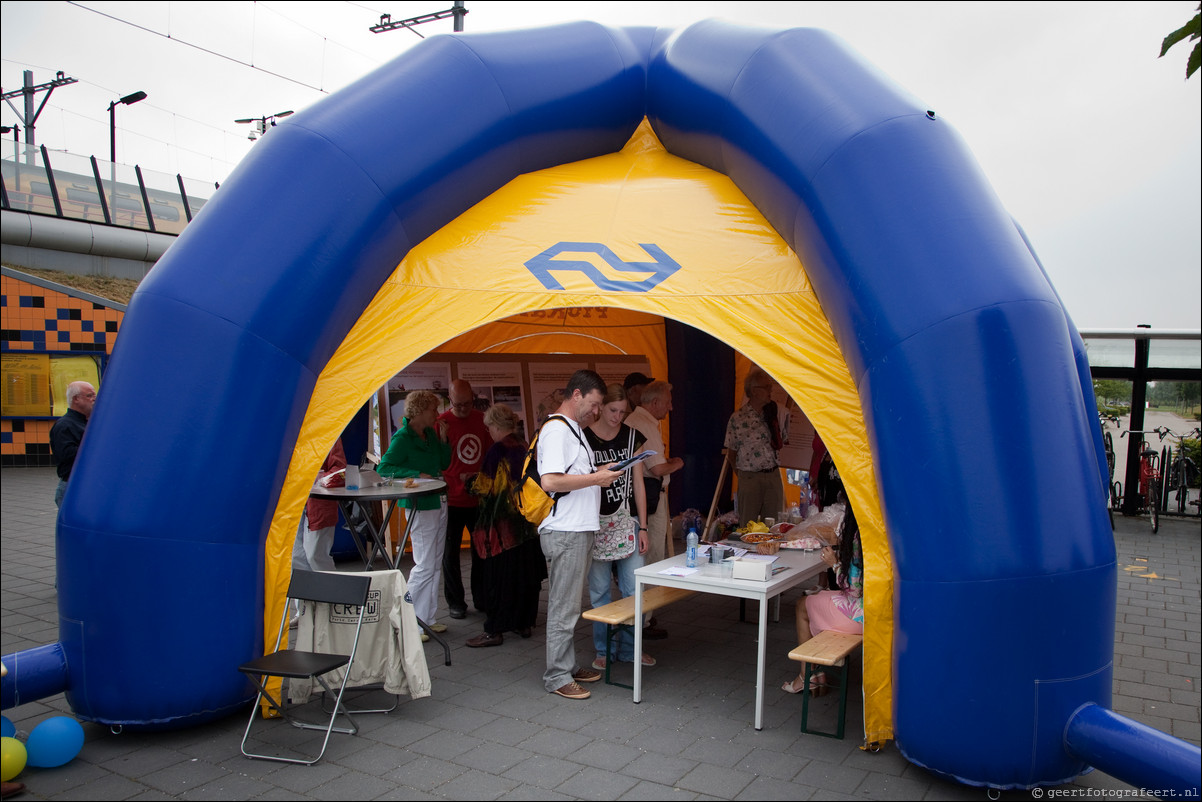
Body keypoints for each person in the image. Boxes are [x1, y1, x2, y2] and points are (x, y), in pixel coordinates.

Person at [537, 369, 622, 700]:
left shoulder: (571, 429)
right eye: (595, 403)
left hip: (576, 529)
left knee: (569, 604)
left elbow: (570, 476)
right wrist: (595, 480)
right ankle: (557, 675)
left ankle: (566, 666)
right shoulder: (558, 431)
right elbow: (552, 481)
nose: (597, 411)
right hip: (566, 531)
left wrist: (597, 473)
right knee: (564, 606)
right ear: (576, 395)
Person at [462, 404, 547, 647]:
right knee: (525, 576)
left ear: (497, 426)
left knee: (498, 579)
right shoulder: (522, 444)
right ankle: (524, 623)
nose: (488, 431)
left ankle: (495, 629)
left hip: (503, 526)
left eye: (489, 427)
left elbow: (485, 486)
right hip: (527, 522)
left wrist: (468, 481)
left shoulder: (498, 450)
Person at [585, 384, 654, 670]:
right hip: (594, 521)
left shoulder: (631, 437)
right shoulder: (584, 437)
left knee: (632, 589)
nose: (617, 417)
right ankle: (603, 649)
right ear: (600, 407)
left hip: (626, 519)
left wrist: (644, 526)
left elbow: (639, 484)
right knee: (599, 591)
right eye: (613, 410)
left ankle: (630, 649)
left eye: (622, 412)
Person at [378, 390, 451, 640]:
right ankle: (406, 620)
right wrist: (416, 474)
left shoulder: (430, 433)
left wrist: (443, 439)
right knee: (424, 563)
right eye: (433, 409)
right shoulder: (403, 437)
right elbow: (384, 468)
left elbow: (444, 463)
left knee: (434, 561)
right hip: (420, 504)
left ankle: (427, 619)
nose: (437, 414)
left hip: (439, 499)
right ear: (420, 411)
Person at [623, 380, 684, 640]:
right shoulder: (644, 424)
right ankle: (644, 621)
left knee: (644, 558)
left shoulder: (639, 421)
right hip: (650, 500)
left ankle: (642, 616)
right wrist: (677, 463)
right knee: (652, 558)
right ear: (655, 402)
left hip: (645, 499)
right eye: (668, 402)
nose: (671, 407)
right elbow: (658, 468)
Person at [781, 503, 862, 695]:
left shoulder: (860, 537)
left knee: (803, 605)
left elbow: (854, 589)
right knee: (817, 597)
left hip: (861, 614)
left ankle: (806, 677)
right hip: (880, 607)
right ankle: (813, 673)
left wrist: (835, 564)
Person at [438, 379, 492, 620]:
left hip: (477, 497)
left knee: (481, 551)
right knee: (449, 553)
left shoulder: (482, 420)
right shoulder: (442, 423)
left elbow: (490, 454)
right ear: (450, 400)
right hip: (451, 499)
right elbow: (437, 460)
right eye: (457, 404)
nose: (462, 408)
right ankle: (455, 602)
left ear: (473, 397)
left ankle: (481, 598)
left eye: (467, 403)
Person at [724, 368, 786, 527]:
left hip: (772, 475)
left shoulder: (773, 412)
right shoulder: (738, 418)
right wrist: (744, 476)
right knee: (748, 525)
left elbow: (782, 440)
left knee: (774, 525)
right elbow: (731, 453)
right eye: (766, 387)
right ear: (754, 391)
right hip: (750, 477)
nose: (770, 390)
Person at [291, 438, 347, 574]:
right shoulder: (288, 432)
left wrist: (317, 478)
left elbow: (340, 470)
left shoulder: (328, 431)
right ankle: (305, 594)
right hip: (293, 502)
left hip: (319, 503)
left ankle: (332, 593)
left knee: (315, 556)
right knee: (294, 557)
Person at [49, 380, 96, 507]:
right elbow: (67, 454)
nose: (94, 399)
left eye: (95, 396)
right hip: (73, 487)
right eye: (89, 395)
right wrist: (96, 449)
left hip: (86, 485)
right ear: (76, 399)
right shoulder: (65, 425)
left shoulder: (89, 423)